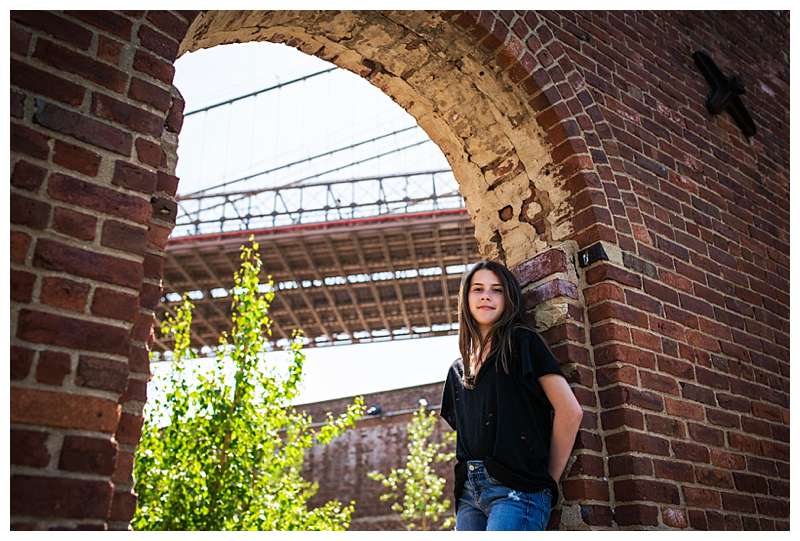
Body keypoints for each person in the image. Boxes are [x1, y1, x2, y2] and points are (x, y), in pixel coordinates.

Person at [439, 260, 583, 531]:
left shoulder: (523, 343)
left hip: (517, 491)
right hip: (469, 495)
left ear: (508, 298)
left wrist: (544, 481)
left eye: (497, 290)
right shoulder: (456, 370)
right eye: (478, 289)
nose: (486, 296)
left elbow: (570, 412)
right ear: (465, 298)